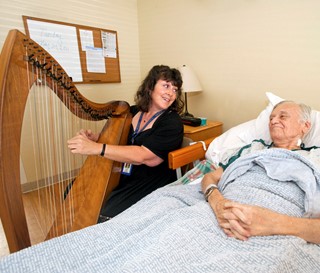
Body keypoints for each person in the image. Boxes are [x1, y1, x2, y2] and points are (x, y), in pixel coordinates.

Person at [67, 65, 184, 221]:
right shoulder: (132, 112)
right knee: (72, 192)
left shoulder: (172, 122)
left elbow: (144, 156)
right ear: (150, 87)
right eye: (166, 85)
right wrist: (95, 139)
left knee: (105, 214)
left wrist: (97, 148)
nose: (170, 93)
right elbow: (121, 140)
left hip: (149, 180)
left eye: (175, 90)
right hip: (122, 171)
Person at [201, 100, 320, 244]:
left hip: (279, 237)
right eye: (271, 118)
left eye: (283, 117)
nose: (273, 121)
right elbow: (210, 177)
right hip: (218, 214)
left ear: (305, 126)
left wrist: (274, 223)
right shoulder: (254, 149)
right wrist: (218, 202)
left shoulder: (315, 158)